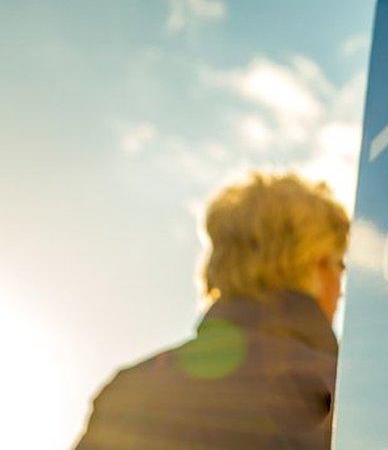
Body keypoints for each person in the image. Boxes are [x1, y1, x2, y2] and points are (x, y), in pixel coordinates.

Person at [77, 172, 349, 449]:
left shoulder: (129, 393)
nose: (342, 287)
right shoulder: (348, 400)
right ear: (315, 264)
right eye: (341, 265)